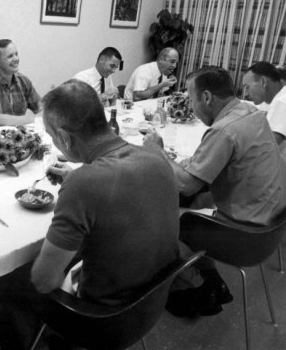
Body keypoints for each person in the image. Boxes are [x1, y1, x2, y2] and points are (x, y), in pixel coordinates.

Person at [144, 66, 286, 317]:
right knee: (195, 200)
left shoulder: (224, 130)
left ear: (207, 97)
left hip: (244, 235)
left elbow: (186, 183)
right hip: (271, 223)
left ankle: (195, 285)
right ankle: (211, 279)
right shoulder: (250, 112)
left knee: (155, 219)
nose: (190, 105)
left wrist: (158, 152)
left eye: (190, 98)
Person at [31, 79, 179, 308]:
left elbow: (43, 282)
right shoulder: (156, 157)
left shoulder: (84, 184)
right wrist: (78, 180)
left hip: (103, 316)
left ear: (64, 138)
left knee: (21, 281)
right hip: (153, 300)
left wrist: (78, 184)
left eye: (51, 136)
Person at [242, 62, 286, 160]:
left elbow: (265, 148)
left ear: (263, 82)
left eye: (247, 87)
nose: (245, 94)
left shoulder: (281, 101)